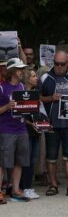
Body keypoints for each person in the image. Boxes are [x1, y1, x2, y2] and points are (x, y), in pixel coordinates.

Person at [40, 51, 68, 197]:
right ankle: (53, 185)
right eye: (56, 63)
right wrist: (51, 98)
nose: (58, 66)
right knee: (51, 156)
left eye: (62, 64)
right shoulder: (45, 77)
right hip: (52, 123)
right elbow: (37, 98)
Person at [0, 58, 30, 203]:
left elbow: (24, 109)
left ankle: (15, 189)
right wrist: (7, 106)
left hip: (21, 128)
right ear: (12, 71)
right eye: (19, 69)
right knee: (2, 162)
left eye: (23, 68)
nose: (22, 71)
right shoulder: (1, 87)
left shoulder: (22, 87)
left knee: (19, 161)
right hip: (6, 129)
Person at [19, 68, 42, 199]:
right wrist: (29, 123)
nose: (36, 78)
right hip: (24, 130)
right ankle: (23, 187)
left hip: (36, 131)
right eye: (33, 76)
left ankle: (28, 186)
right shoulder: (21, 93)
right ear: (27, 78)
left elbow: (37, 113)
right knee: (25, 160)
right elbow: (20, 114)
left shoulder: (35, 93)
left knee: (33, 160)